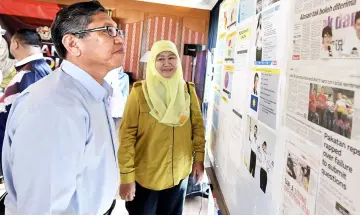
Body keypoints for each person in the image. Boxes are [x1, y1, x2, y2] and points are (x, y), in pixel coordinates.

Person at [2, 1, 124, 214]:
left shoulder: (92, 93)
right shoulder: (55, 105)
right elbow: (40, 208)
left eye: (117, 30)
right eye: (107, 30)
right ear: (73, 43)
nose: (119, 38)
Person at [118, 40, 205, 215]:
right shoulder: (139, 92)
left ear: (178, 61)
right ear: (152, 63)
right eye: (160, 59)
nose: (167, 63)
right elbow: (127, 136)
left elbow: (197, 127)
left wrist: (199, 158)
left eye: (171, 57)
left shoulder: (188, 90)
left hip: (178, 173)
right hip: (147, 175)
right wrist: (127, 177)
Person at [0, 29, 51, 181]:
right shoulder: (41, 68)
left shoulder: (29, 73)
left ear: (15, 43)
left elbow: (31, 116)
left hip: (19, 150)